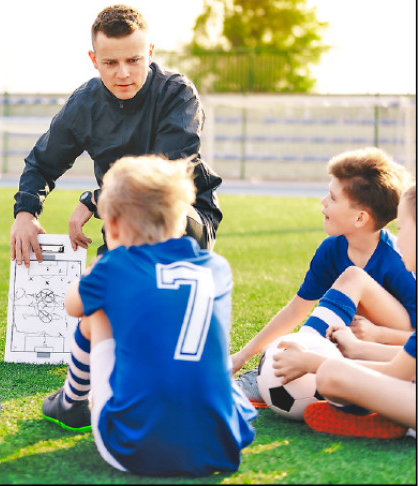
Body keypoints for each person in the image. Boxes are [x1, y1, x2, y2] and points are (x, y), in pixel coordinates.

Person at [41, 154, 256, 476]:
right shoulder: (217, 268)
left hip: (135, 449)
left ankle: (71, 402)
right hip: (222, 444)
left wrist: (97, 269)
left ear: (111, 223)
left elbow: (73, 305)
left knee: (94, 314)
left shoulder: (114, 267)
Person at [11, 4, 223, 268]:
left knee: (162, 215)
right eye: (110, 63)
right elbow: (41, 164)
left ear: (150, 52)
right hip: (119, 226)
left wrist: (94, 200)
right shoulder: (84, 104)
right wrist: (25, 214)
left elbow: (163, 175)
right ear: (94, 60)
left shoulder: (178, 94)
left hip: (182, 217)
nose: (123, 73)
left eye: (133, 60)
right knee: (101, 297)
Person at [231, 148, 415, 406]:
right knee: (338, 324)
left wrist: (378, 334)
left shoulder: (399, 260)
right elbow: (296, 310)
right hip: (361, 350)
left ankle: (286, 367)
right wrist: (241, 356)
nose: (323, 202)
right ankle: (285, 372)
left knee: (354, 278)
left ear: (360, 217)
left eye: (332, 197)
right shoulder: (331, 250)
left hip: (398, 351)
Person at [272, 184, 416, 439]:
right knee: (342, 367)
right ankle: (388, 416)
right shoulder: (333, 249)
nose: (398, 238)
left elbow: (397, 372)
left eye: (402, 230)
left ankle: (388, 417)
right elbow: (406, 361)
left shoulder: (395, 263)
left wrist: (313, 362)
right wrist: (358, 348)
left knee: (330, 375)